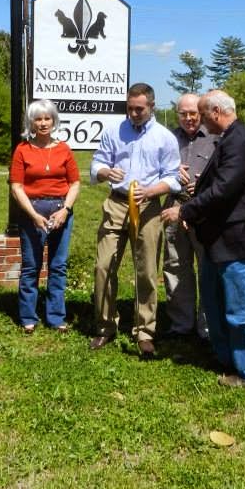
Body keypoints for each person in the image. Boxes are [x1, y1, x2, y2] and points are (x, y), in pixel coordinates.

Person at [161, 90, 245, 389]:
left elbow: (224, 190)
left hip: (240, 239)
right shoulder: (228, 138)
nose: (200, 120)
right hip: (218, 237)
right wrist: (194, 215)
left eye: (202, 114)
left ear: (215, 112)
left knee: (243, 309)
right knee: (216, 303)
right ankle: (228, 360)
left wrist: (184, 210)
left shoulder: (240, 141)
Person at [90, 83, 180, 359]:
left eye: (139, 109)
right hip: (117, 203)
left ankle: (144, 331)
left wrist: (151, 191)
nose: (133, 114)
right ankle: (105, 326)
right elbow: (96, 164)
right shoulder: (114, 131)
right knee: (103, 265)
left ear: (151, 106)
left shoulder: (164, 137)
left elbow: (173, 177)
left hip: (148, 207)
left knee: (146, 271)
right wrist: (106, 172)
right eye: (129, 108)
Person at [9, 100, 80, 333]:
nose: (43, 123)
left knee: (58, 266)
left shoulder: (64, 149)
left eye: (47, 118)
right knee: (31, 266)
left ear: (53, 120)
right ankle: (28, 316)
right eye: (38, 119)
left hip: (61, 209)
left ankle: (56, 317)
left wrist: (65, 209)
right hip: (32, 210)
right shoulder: (22, 150)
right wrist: (33, 215)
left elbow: (75, 183)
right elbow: (16, 187)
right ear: (31, 122)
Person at [162, 93, 217, 340]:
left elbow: (227, 172)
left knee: (208, 266)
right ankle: (181, 324)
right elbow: (153, 169)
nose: (188, 118)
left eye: (193, 113)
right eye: (183, 114)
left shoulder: (216, 137)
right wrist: (171, 171)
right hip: (175, 205)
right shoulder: (169, 139)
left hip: (205, 210)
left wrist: (206, 183)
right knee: (175, 265)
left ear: (201, 113)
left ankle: (207, 327)